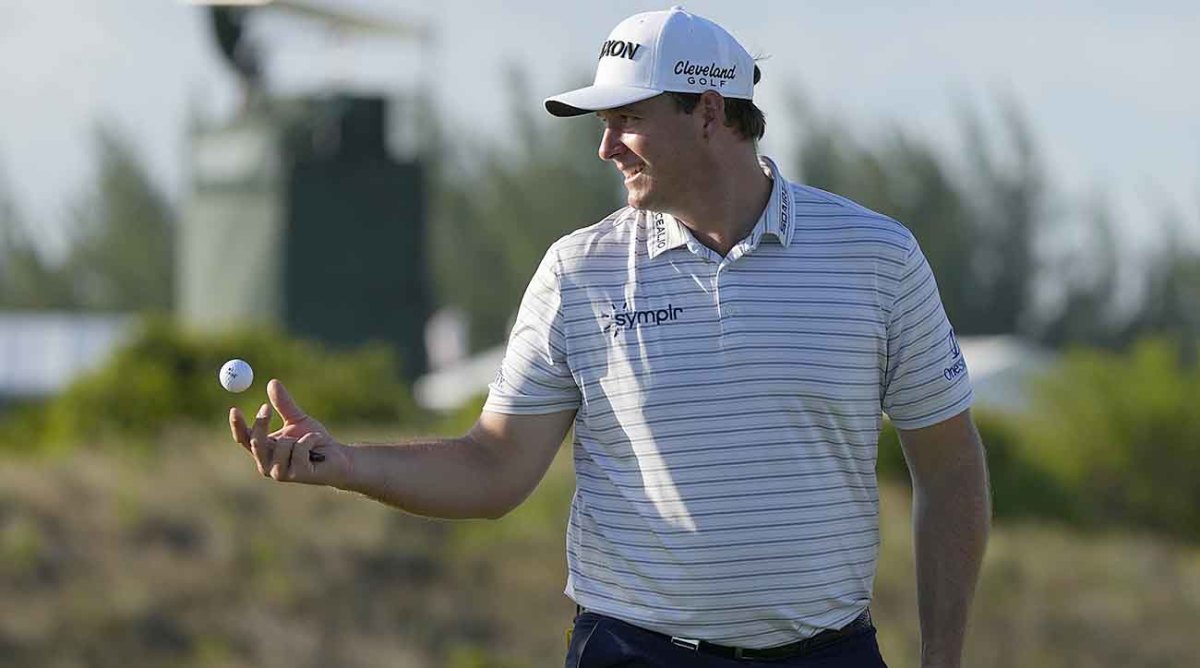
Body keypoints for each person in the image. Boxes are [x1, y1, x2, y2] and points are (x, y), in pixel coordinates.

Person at [229, 6, 991, 667]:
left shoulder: (876, 257)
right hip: (637, 653)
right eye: (603, 124)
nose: (607, 147)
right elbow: (494, 466)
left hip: (828, 656)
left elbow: (951, 468)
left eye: (627, 119)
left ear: (707, 111)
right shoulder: (578, 271)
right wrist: (349, 462)